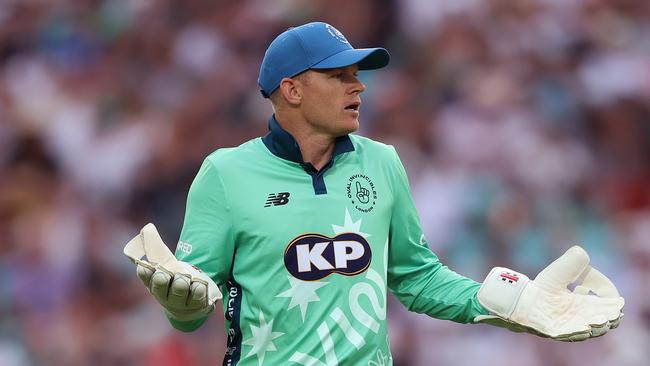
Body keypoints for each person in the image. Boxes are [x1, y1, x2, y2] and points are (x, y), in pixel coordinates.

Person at [123, 22, 625, 365]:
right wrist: (182, 305)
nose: (358, 87)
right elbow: (190, 305)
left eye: (357, 75)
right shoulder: (226, 173)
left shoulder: (382, 162)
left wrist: (504, 304)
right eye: (339, 76)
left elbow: (417, 277)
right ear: (292, 90)